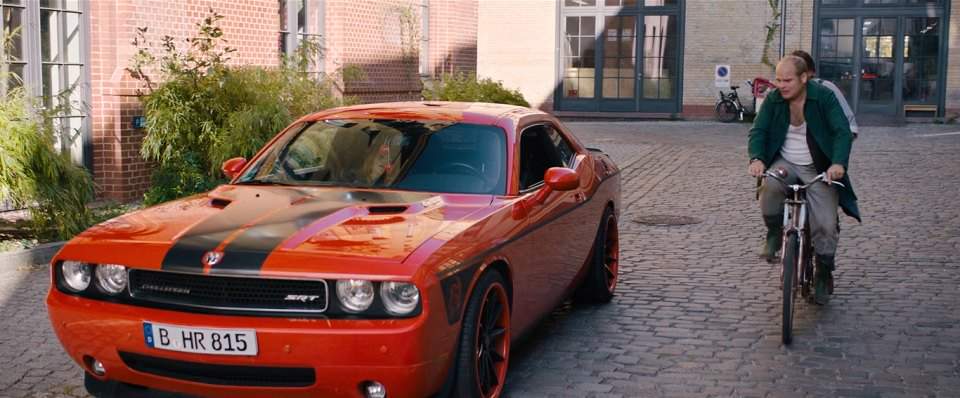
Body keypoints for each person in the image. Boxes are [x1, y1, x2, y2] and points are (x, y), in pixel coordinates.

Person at [748, 55, 861, 305]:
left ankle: (822, 273)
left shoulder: (823, 97)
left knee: (825, 225)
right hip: (785, 163)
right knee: (770, 188)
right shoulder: (774, 99)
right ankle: (774, 234)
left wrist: (838, 164)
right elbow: (759, 130)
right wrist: (756, 158)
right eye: (778, 79)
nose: (781, 85)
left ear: (804, 78)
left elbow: (841, 132)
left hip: (818, 168)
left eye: (787, 80)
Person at [791, 50, 859, 140]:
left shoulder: (826, 88)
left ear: (811, 72)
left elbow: (850, 125)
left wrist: (837, 148)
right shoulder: (782, 92)